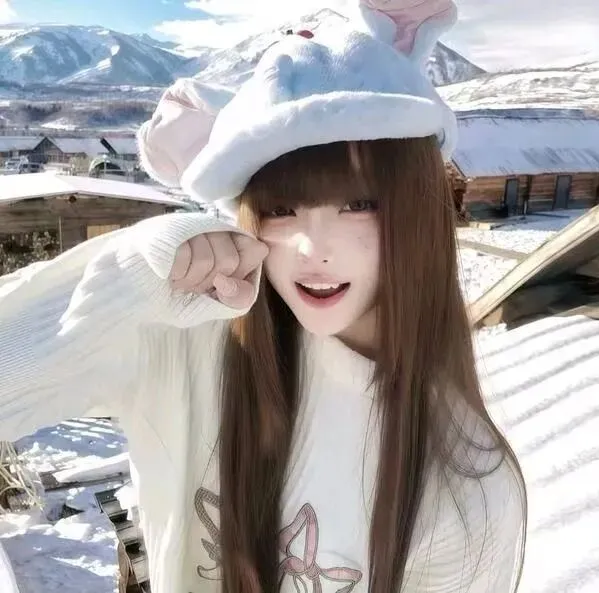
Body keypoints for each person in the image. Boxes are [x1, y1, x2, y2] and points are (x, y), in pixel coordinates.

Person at [0, 2, 526, 593]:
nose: (312, 248)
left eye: (359, 204)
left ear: (422, 206)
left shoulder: (466, 482)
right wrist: (129, 273)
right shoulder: (186, 337)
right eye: (280, 209)